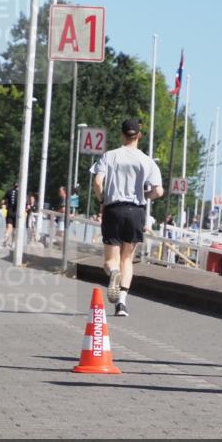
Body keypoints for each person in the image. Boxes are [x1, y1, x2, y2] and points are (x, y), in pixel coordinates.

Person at [91, 118, 164, 317]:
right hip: (136, 212)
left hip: (114, 209)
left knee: (110, 260)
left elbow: (97, 182)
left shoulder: (110, 156)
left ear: (122, 134)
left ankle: (113, 273)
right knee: (127, 260)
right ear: (139, 136)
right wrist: (144, 196)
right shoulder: (146, 160)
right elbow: (158, 191)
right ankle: (121, 304)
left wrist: (103, 199)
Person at [3, 182, 18, 247]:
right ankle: (13, 243)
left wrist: (5, 205)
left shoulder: (9, 191)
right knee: (15, 228)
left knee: (9, 227)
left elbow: (3, 200)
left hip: (9, 211)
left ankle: (5, 239)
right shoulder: (21, 193)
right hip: (17, 213)